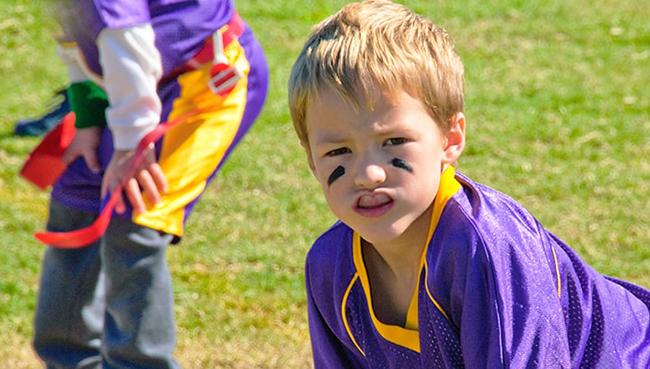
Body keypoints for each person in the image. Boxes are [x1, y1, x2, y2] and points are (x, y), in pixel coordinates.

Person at [287, 1, 650, 367]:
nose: (368, 173)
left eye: (393, 142)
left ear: (450, 139)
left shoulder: (484, 248)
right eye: (339, 151)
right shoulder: (330, 267)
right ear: (311, 161)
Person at [32, 1, 268, 368]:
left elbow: (127, 36)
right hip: (131, 85)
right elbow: (74, 23)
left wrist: (132, 144)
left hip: (206, 81)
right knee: (74, 201)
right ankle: (69, 358)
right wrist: (88, 116)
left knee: (134, 217)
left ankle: (138, 363)